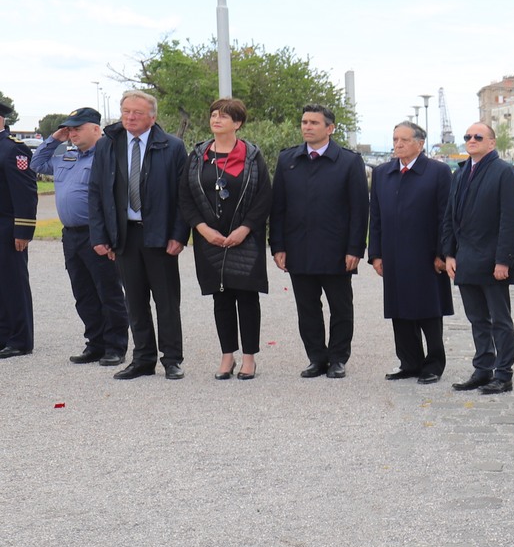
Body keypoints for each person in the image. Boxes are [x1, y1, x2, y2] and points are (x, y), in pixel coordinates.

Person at [89, 90, 186, 379]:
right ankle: (143, 359)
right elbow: (96, 191)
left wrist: (179, 234)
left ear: (152, 117)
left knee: (167, 301)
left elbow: (183, 197)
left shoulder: (172, 146)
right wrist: (100, 235)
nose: (130, 117)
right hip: (125, 235)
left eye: (137, 113)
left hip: (160, 235)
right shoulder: (108, 144)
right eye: (126, 111)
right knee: (134, 300)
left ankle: (172, 359)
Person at [177, 98, 274, 380]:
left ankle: (249, 359)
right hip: (210, 238)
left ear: (238, 123)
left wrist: (245, 228)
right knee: (220, 297)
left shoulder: (252, 157)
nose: (216, 120)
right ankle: (227, 356)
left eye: (224, 116)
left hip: (245, 238)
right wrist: (203, 229)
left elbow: (264, 197)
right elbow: (185, 196)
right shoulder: (197, 156)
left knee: (246, 297)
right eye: (214, 115)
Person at [271, 104, 369, 379]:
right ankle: (317, 358)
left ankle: (338, 358)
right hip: (298, 248)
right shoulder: (288, 159)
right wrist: (277, 245)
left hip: (337, 251)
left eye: (314, 122)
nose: (307, 127)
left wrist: (355, 249)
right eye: (304, 122)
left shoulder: (349, 162)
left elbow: (359, 210)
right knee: (307, 308)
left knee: (341, 307)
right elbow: (278, 207)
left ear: (330, 128)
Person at [30, 107, 128, 364]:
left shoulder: (108, 157)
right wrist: (55, 139)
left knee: (108, 292)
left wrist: (108, 237)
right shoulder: (67, 157)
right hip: (71, 236)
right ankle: (95, 343)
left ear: (96, 129)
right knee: (83, 293)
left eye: (78, 128)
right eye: (70, 129)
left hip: (96, 234)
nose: (72, 134)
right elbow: (36, 164)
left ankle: (115, 346)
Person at [442, 122, 514, 394]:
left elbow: (512, 220)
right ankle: (482, 368)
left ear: (492, 142)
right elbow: (450, 216)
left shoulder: (505, 172)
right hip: (465, 259)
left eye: (478, 136)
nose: (471, 139)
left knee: (500, 320)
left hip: (493, 262)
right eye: (467, 136)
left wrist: (504, 260)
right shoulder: (461, 173)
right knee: (477, 318)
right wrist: (449, 253)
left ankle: (503, 374)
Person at [369, 122, 455, 384]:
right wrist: (376, 254)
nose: (398, 145)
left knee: (428, 310)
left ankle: (433, 363)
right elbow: (376, 216)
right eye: (395, 139)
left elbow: (445, 215)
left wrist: (443, 252)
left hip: (426, 254)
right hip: (393, 253)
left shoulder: (438, 172)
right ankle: (409, 362)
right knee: (399, 309)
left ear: (420, 143)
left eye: (404, 140)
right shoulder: (383, 173)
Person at [1, 119, 39, 357]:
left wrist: (23, 230)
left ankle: (20, 339)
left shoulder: (13, 148)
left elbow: (25, 192)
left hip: (6, 227)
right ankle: (4, 335)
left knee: (12, 284)